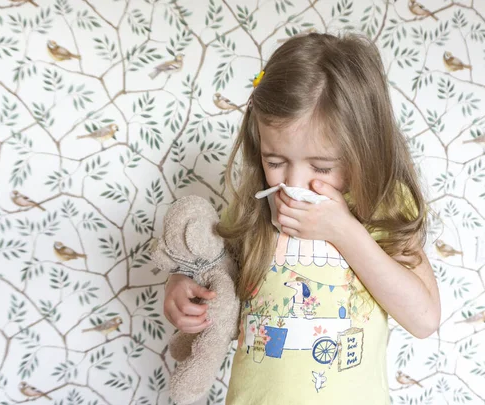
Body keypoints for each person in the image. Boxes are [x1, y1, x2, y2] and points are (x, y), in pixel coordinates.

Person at [163, 31, 441, 404]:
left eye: (322, 167)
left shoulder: (383, 207)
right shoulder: (254, 207)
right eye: (275, 162)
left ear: (365, 149)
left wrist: (345, 232)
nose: (294, 184)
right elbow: (216, 277)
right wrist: (182, 286)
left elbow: (423, 319)